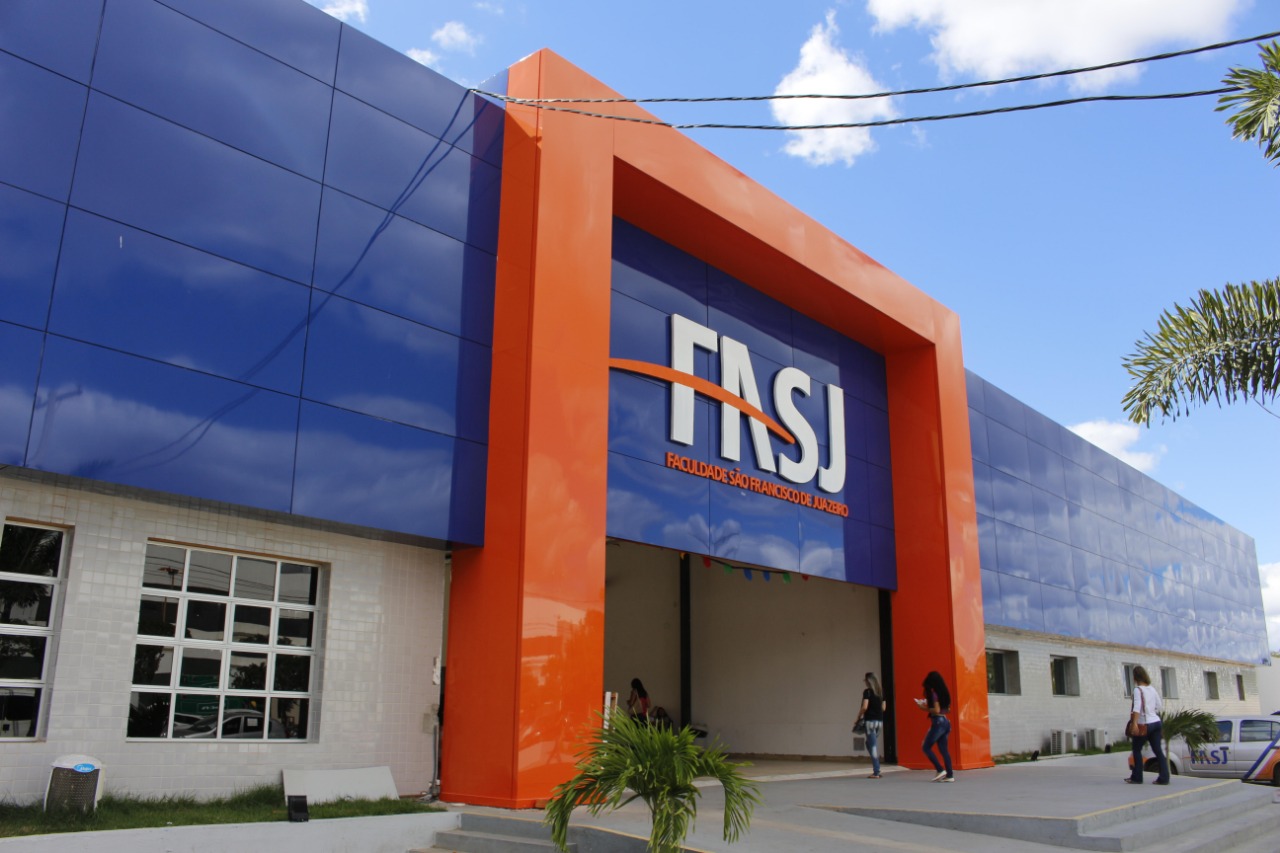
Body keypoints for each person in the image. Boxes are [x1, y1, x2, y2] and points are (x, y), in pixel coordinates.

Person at [1126, 665, 1170, 785]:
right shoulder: (1152, 689)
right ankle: (1164, 777)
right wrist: (1150, 712)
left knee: (1136, 749)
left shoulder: (1138, 690)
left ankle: (1137, 777)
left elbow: (1136, 708)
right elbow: (1159, 705)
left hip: (1144, 724)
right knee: (1158, 750)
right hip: (1156, 722)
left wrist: (1134, 723)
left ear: (1135, 677)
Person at [917, 670, 954, 782]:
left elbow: (936, 710)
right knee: (944, 750)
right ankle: (950, 775)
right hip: (946, 722)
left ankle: (939, 769)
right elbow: (947, 710)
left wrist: (924, 708)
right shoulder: (944, 693)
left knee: (926, 747)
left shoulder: (934, 694)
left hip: (938, 722)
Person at [853, 672, 887, 778]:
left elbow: (864, 707)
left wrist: (858, 717)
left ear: (868, 681)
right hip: (879, 722)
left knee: (872, 746)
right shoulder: (881, 692)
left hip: (870, 721)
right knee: (869, 743)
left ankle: (876, 771)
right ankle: (876, 766)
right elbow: (883, 708)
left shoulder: (867, 692)